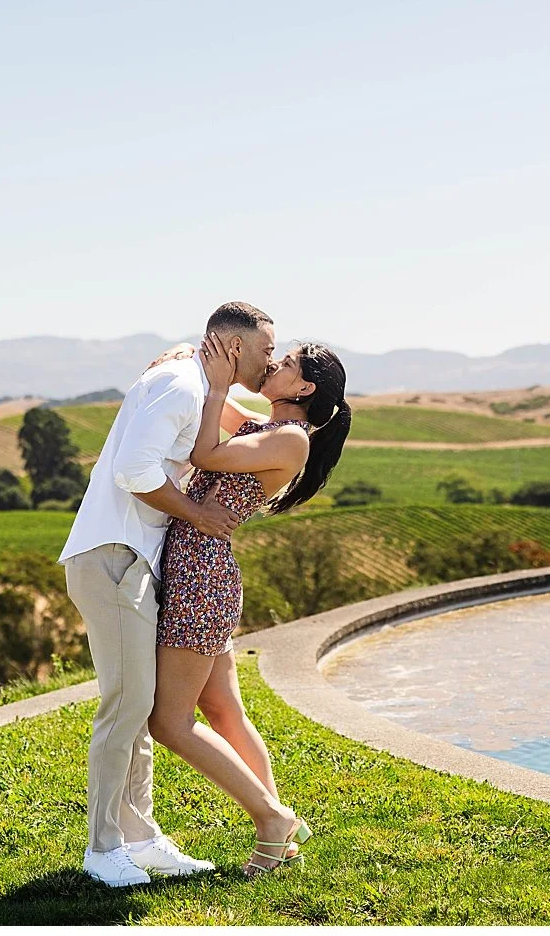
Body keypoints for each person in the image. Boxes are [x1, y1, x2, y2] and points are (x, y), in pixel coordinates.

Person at [57, 301, 279, 888]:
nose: (271, 359)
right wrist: (199, 515)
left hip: (132, 562)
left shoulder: (191, 381)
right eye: (264, 349)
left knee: (140, 702)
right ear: (233, 346)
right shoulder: (181, 384)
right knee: (126, 706)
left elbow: (229, 423)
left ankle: (142, 838)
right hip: (113, 559)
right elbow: (135, 469)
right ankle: (104, 848)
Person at [149, 331, 351, 877]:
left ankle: (270, 820)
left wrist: (214, 382)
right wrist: (189, 364)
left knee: (168, 722)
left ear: (303, 386)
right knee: (222, 710)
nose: (273, 364)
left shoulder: (292, 440)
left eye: (284, 362)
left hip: (200, 576)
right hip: (204, 570)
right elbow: (221, 407)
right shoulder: (271, 426)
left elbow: (204, 451)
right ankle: (283, 828)